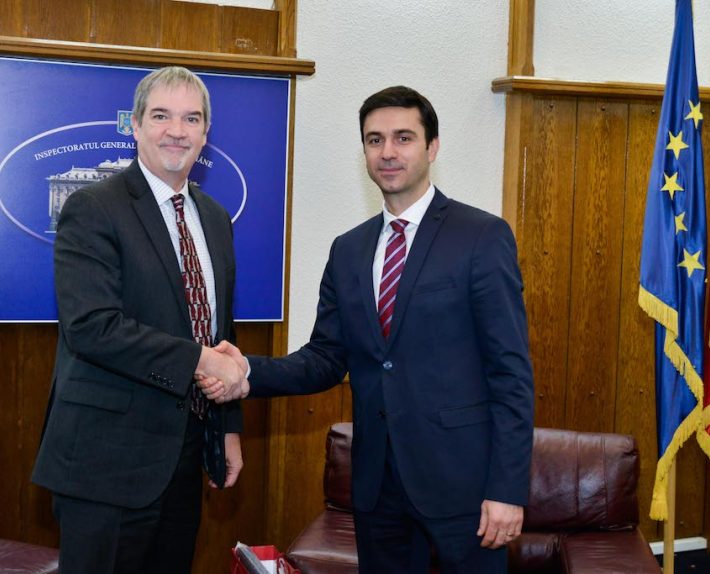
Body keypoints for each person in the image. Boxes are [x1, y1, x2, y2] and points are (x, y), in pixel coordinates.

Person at [202, 86, 534, 573]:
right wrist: (247, 372)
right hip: (378, 490)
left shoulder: (481, 236)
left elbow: (510, 373)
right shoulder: (348, 250)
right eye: (375, 140)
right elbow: (324, 358)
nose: (388, 152)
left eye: (403, 138)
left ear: (432, 147)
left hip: (463, 488)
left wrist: (506, 489)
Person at [32, 66, 247, 574]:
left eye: (191, 118)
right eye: (161, 116)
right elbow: (92, 327)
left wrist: (228, 428)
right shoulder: (93, 208)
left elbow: (218, 330)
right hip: (105, 463)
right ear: (134, 125)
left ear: (206, 133)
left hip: (184, 458)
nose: (177, 131)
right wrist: (201, 362)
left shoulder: (215, 218)